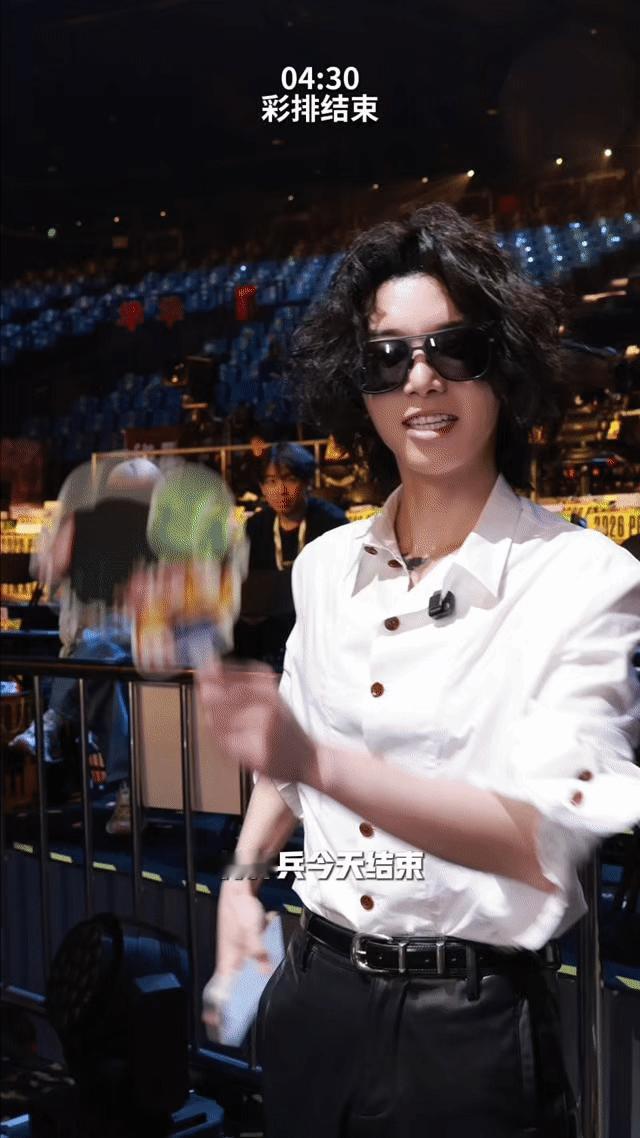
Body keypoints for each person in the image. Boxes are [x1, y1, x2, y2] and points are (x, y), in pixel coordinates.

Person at [197, 203, 640, 1138]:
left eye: (454, 347)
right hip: (314, 999)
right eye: (387, 355)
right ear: (357, 385)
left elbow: (537, 839)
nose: (421, 376)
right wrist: (241, 880)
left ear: (503, 366)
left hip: (467, 1031)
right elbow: (292, 762)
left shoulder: (585, 579)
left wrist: (317, 763)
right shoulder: (324, 568)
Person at [10, 458, 161, 834]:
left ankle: (50, 725)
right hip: (88, 661)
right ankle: (127, 793)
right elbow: (48, 573)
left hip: (144, 654)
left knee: (100, 651)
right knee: (102, 678)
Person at [233, 442, 348, 673]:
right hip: (269, 637)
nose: (280, 490)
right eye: (271, 481)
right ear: (262, 487)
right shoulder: (255, 527)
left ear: (307, 482)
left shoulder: (332, 524)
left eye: (289, 479)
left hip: (319, 633)